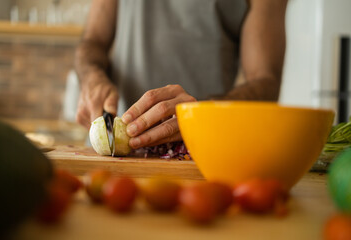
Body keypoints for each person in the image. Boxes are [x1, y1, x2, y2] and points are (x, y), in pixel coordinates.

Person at [75, 0, 288, 149]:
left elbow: (265, 80)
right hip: (111, 152)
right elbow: (93, 42)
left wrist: (198, 114)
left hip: (200, 152)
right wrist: (91, 78)